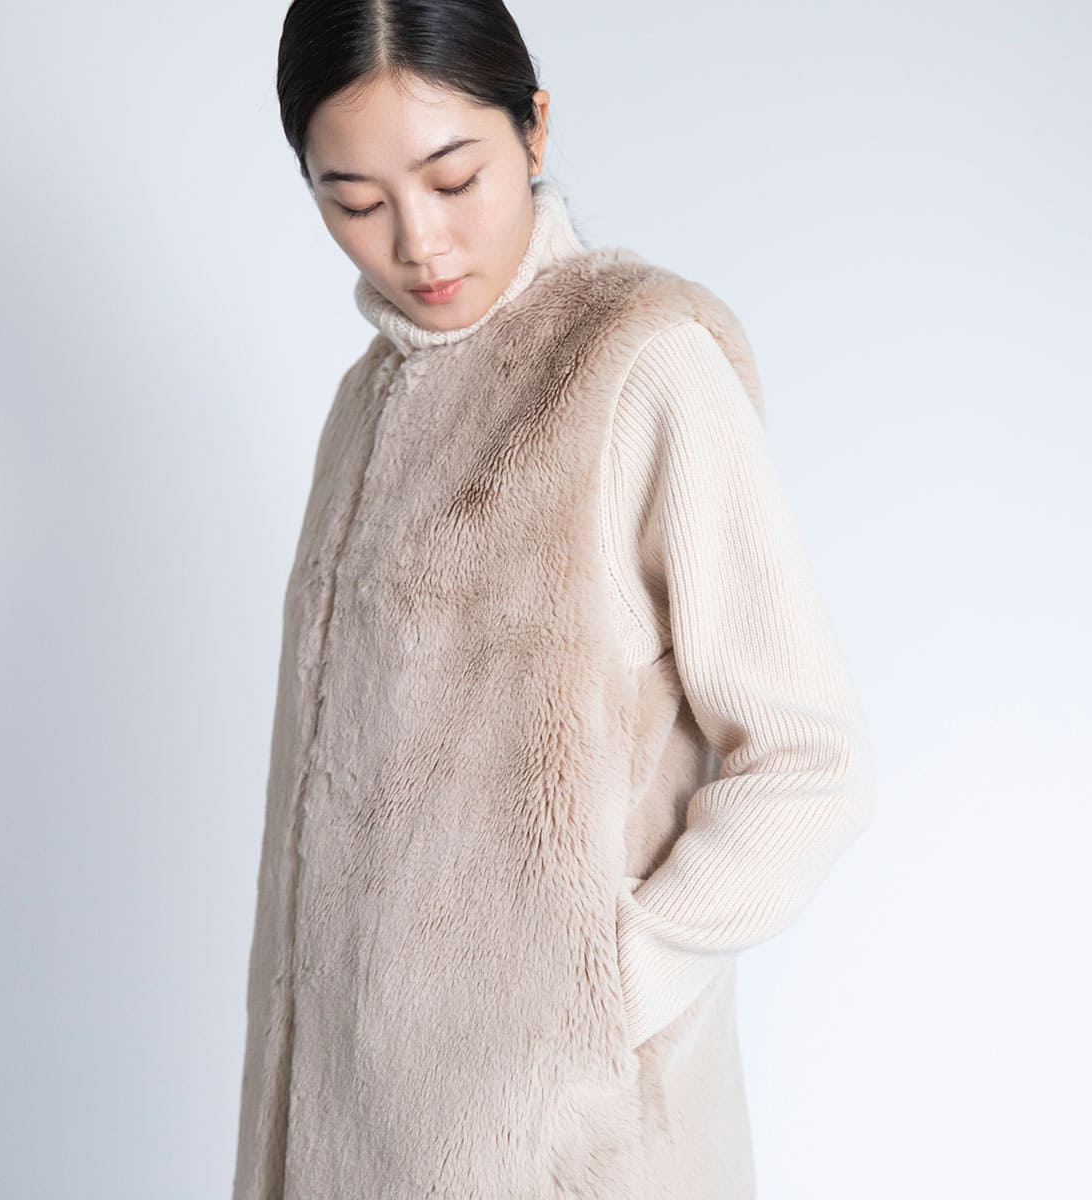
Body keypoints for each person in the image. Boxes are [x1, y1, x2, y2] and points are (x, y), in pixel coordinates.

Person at [233, 2, 875, 1197]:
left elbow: (806, 759)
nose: (419, 243)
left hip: (564, 1148)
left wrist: (594, 995)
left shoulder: (638, 360)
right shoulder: (363, 407)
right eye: (355, 202)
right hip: (350, 1136)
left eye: (453, 179)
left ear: (532, 128)